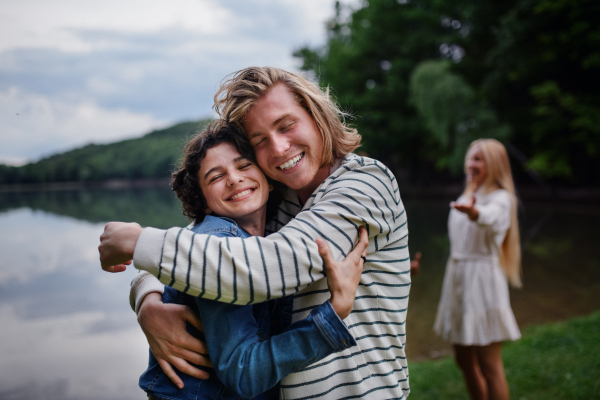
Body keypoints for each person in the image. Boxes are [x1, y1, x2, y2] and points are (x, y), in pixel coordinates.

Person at [99, 66, 411, 399]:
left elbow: (264, 268)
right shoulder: (280, 198)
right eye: (260, 141)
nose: (278, 148)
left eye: (286, 125)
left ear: (316, 115)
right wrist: (148, 299)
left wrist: (136, 241)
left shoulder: (364, 184)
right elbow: (201, 246)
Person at [135, 120, 366, 399]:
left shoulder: (276, 233)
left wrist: (145, 296)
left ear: (267, 179)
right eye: (215, 177)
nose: (234, 178)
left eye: (244, 166)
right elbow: (243, 372)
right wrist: (333, 314)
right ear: (205, 202)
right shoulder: (216, 240)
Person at [433, 139, 522, 400]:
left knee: (489, 365)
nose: (471, 164)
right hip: (458, 280)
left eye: (479, 159)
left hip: (482, 284)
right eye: (470, 158)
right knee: (463, 359)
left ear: (494, 165)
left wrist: (475, 213)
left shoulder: (501, 199)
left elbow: (491, 217)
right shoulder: (467, 194)